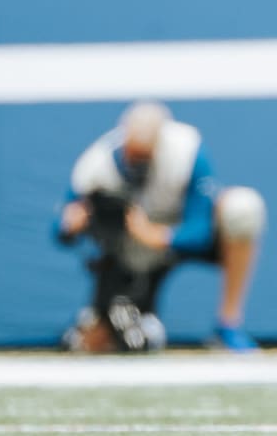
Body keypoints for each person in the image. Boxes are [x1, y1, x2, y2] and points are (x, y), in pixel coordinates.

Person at [52, 100, 265, 353]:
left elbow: (200, 231)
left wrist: (157, 235)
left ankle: (228, 325)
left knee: (242, 209)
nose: (136, 165)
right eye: (132, 156)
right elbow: (60, 231)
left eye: (144, 157)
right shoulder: (96, 166)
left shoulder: (187, 150)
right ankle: (105, 318)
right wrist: (71, 225)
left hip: (174, 235)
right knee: (110, 341)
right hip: (128, 254)